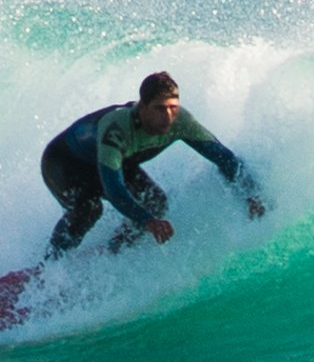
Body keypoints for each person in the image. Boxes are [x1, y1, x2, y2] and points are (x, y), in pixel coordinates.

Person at [39, 71, 267, 258]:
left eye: (173, 107)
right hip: (65, 162)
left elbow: (225, 158)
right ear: (142, 106)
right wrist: (148, 222)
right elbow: (113, 189)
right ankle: (49, 268)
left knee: (156, 203)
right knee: (89, 209)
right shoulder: (117, 127)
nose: (168, 116)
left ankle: (114, 251)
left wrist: (251, 195)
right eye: (160, 108)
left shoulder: (182, 122)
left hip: (118, 162)